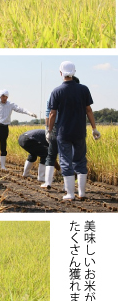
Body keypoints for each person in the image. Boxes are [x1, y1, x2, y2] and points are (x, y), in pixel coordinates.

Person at [48, 61, 100, 200]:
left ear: (61, 73)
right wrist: (94, 128)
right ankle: (82, 193)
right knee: (80, 160)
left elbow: (52, 114)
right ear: (74, 72)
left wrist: (49, 131)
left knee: (65, 161)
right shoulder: (84, 89)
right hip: (79, 132)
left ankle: (70, 194)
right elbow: (88, 110)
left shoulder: (56, 91)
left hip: (63, 133)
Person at [0, 90, 36, 170]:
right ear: (0, 97)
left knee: (3, 146)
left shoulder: (10, 105)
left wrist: (29, 113)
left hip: (4, 127)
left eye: (6, 97)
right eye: (3, 96)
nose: (4, 98)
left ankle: (3, 166)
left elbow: (20, 109)